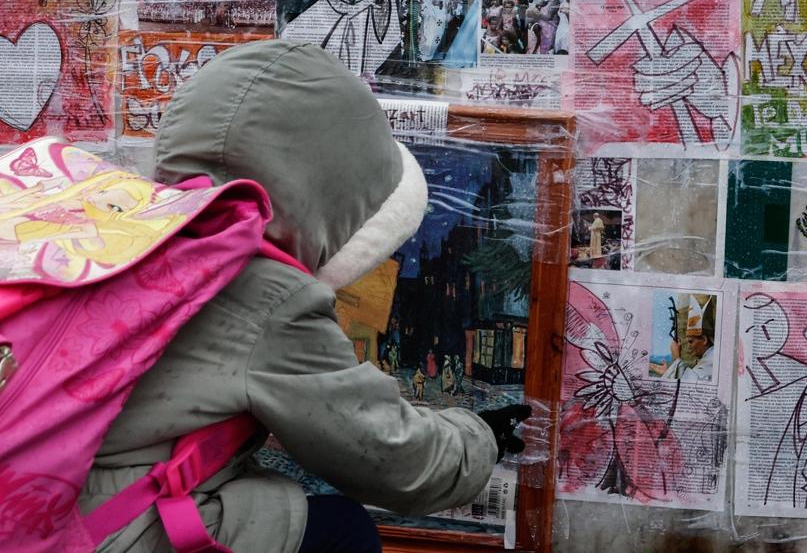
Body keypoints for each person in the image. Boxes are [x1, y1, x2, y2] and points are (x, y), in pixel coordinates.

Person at [77, 41, 528, 552]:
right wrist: (480, 437)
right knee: (343, 530)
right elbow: (391, 458)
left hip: (25, 504)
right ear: (329, 186)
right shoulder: (261, 291)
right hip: (105, 533)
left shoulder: (128, 229)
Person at [661, 296, 716, 382]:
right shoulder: (707, 358)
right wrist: (669, 370)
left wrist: (676, 359)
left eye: (691, 341)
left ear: (704, 340)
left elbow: (695, 383)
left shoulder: (712, 360)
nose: (689, 346)